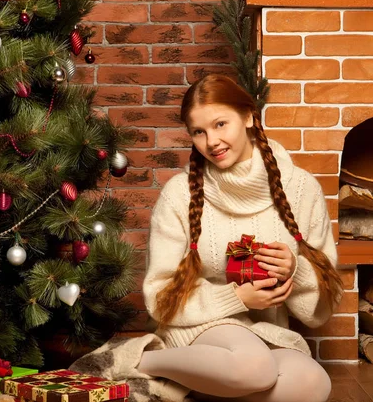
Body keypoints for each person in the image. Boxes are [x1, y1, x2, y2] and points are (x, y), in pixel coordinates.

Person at [70, 74, 343, 402]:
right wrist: (237, 299)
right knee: (254, 368)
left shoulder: (301, 188)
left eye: (220, 124)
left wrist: (295, 271)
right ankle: (140, 359)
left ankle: (200, 387)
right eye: (199, 132)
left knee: (313, 384)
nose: (211, 141)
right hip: (200, 331)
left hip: (266, 334)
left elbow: (319, 312)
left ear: (248, 117)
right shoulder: (179, 195)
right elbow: (160, 299)